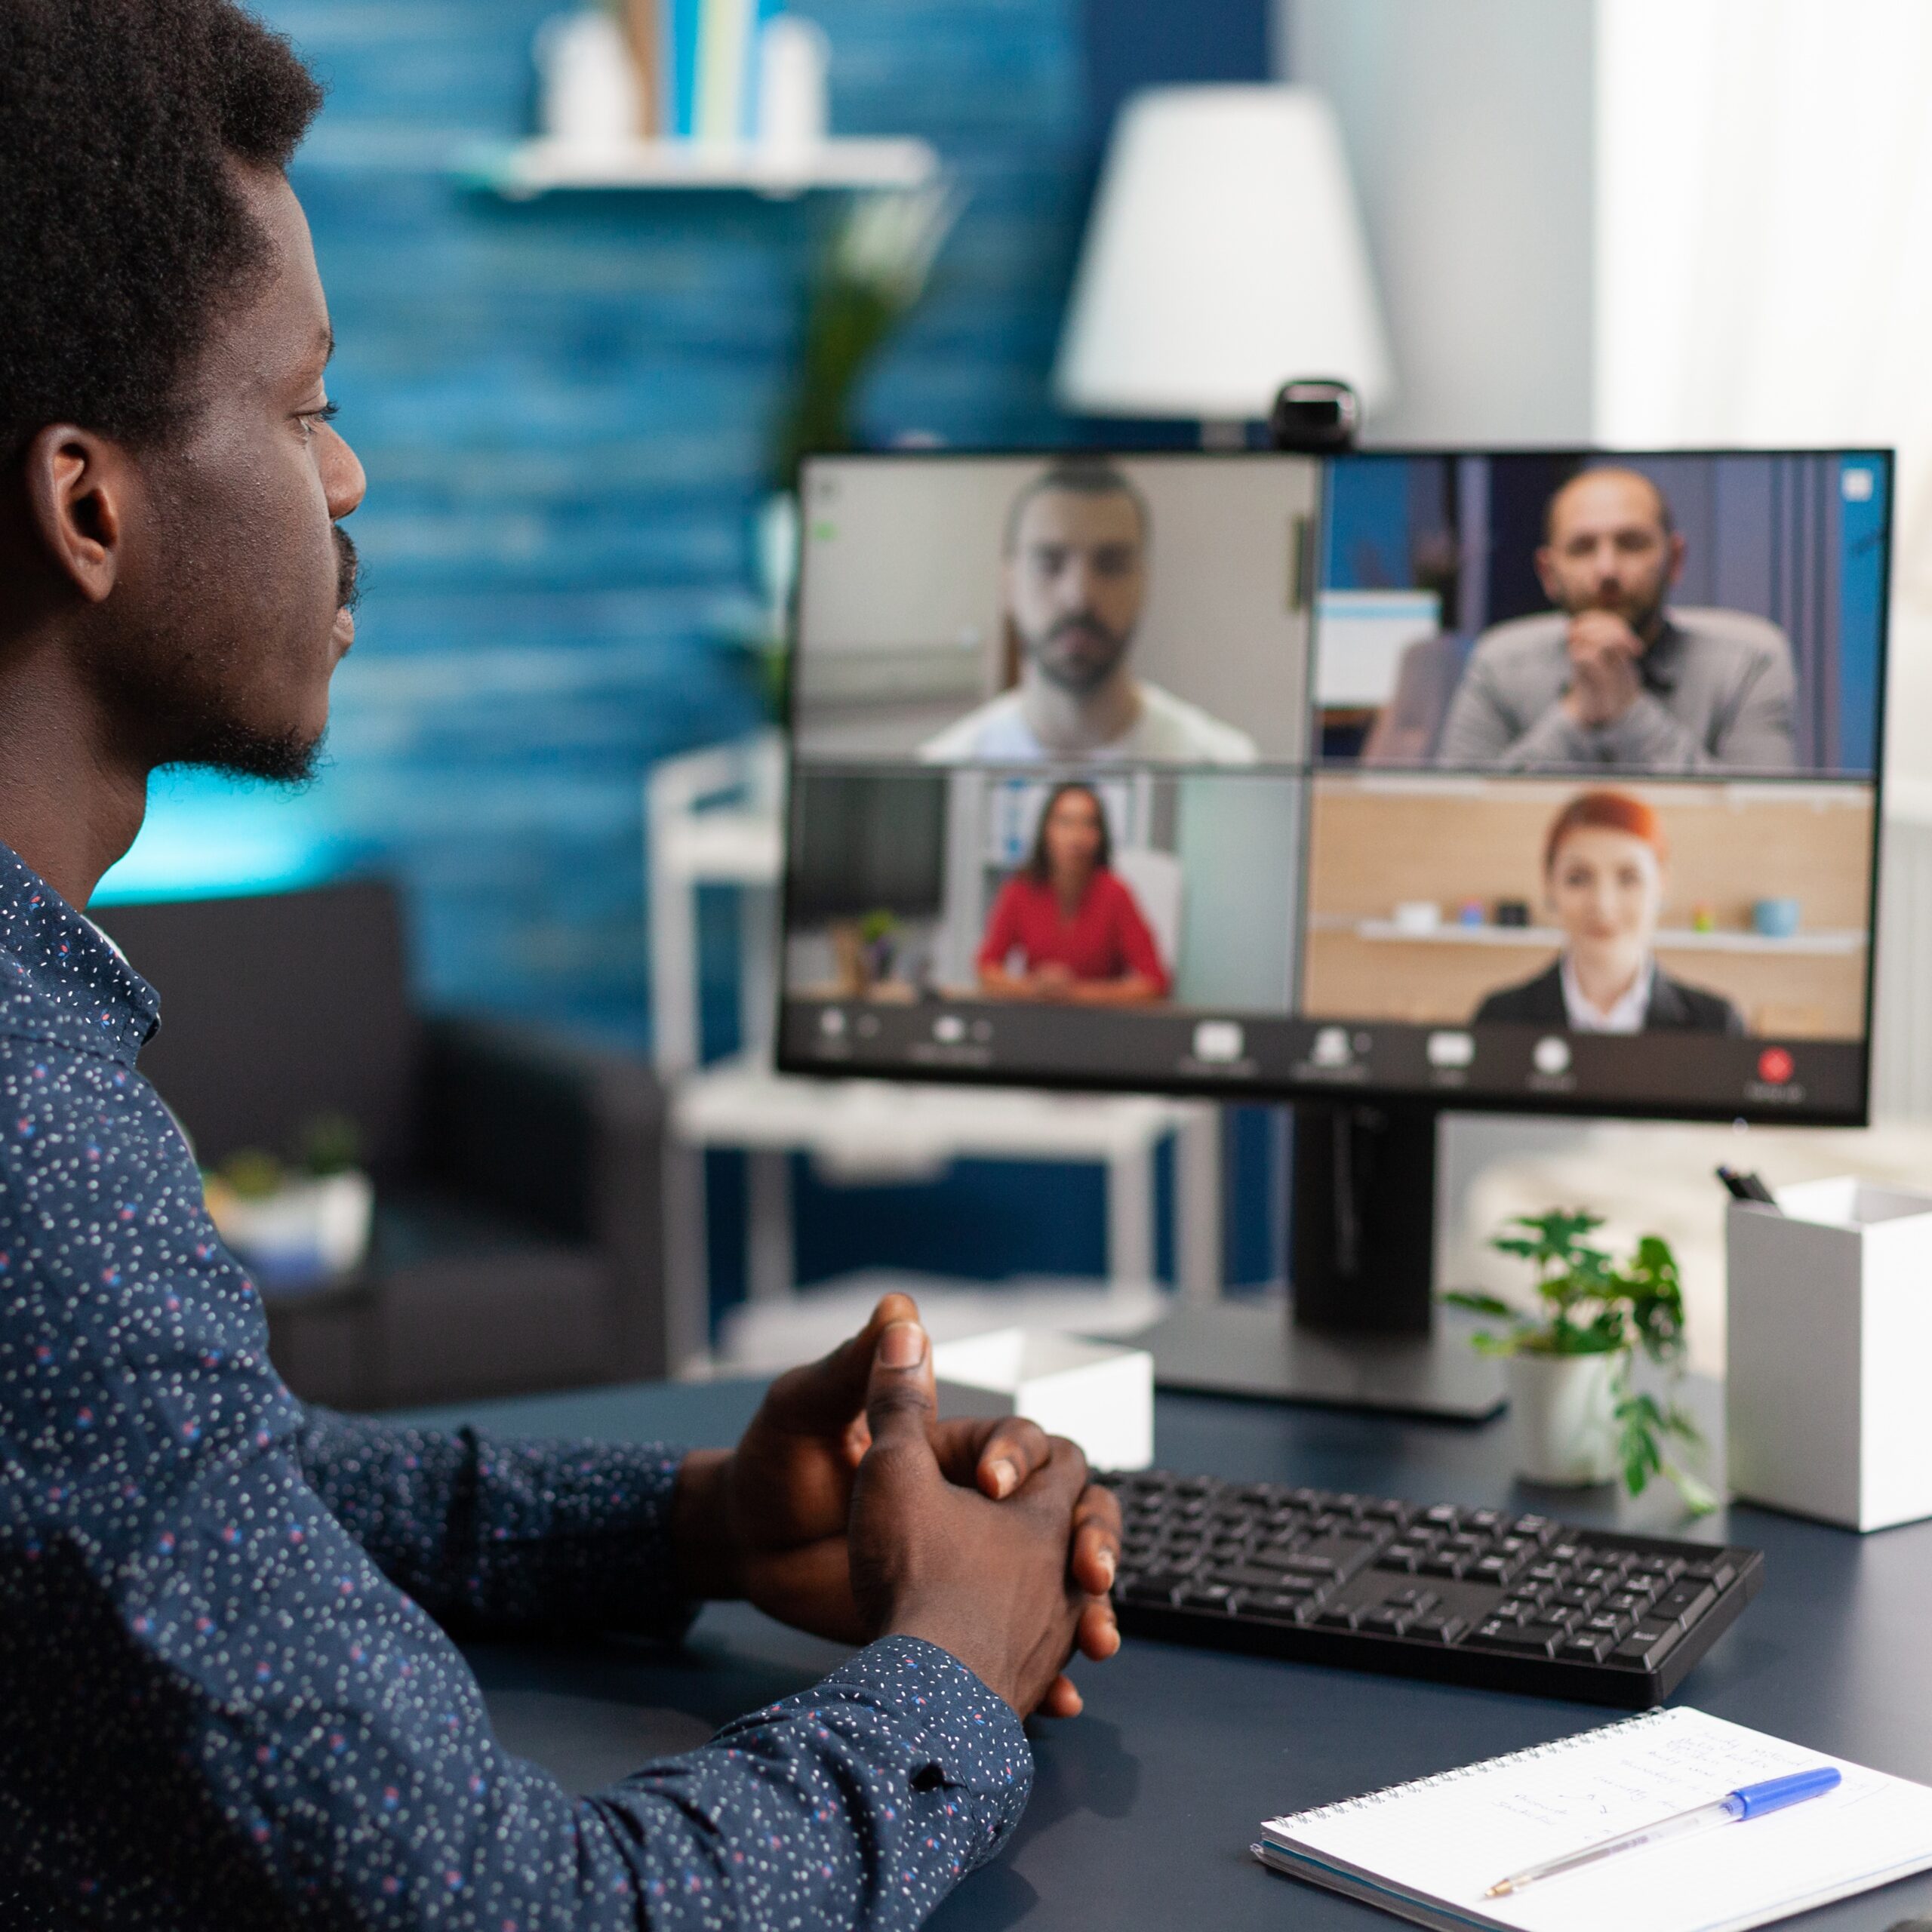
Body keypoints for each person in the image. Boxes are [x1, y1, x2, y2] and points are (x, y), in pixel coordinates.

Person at [0, 5, 1122, 1926]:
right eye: (302, 405)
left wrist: (685, 1515)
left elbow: (184, 1504)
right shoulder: (34, 1145)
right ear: (89, 503)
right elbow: (527, 1909)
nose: (344, 481)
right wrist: (949, 1660)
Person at [1435, 468, 1798, 773]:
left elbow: (1764, 824)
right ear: (1548, 573)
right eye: (1582, 548)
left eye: (1631, 543)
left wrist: (1629, 712)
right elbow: (1459, 818)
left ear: (1674, 561)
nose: (1607, 569)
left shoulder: (1750, 662)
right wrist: (1576, 716)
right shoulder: (1499, 664)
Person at [921, 460, 1260, 764]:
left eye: (1111, 565)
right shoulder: (944, 765)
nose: (1079, 596)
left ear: (1144, 583)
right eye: (1050, 563)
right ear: (1008, 585)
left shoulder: (1224, 763)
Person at [1474, 792, 1745, 1033]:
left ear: (1662, 885)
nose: (1602, 904)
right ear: (1549, 885)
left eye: (1628, 878)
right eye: (1578, 878)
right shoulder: (1498, 1020)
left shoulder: (1716, 1025)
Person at [977, 783, 1171, 1006]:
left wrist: (1075, 992)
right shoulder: (1020, 890)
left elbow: (1155, 982)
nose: (1077, 837)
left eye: (1088, 824)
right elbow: (987, 969)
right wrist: (1032, 988)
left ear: (1100, 836)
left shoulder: (1115, 893)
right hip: (1036, 1018)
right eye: (1065, 823)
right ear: (1046, 831)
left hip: (1101, 1024)